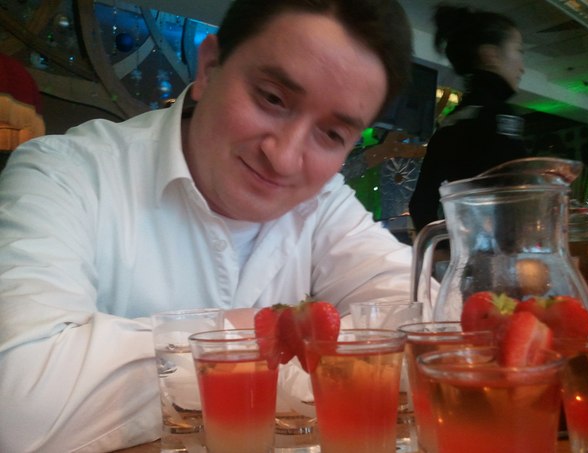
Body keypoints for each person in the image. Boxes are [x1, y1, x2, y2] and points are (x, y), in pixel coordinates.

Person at [0, 0, 416, 451]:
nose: (283, 157)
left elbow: (424, 323)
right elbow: (17, 405)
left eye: (332, 134)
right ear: (209, 68)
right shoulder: (66, 173)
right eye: (272, 98)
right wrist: (268, 336)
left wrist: (213, 355)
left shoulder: (323, 199)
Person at [408, 3, 528, 234]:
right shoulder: (498, 115)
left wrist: (444, 249)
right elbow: (519, 195)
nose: (522, 67)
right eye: (518, 51)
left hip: (465, 248)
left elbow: (421, 205)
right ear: (490, 55)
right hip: (501, 250)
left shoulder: (452, 121)